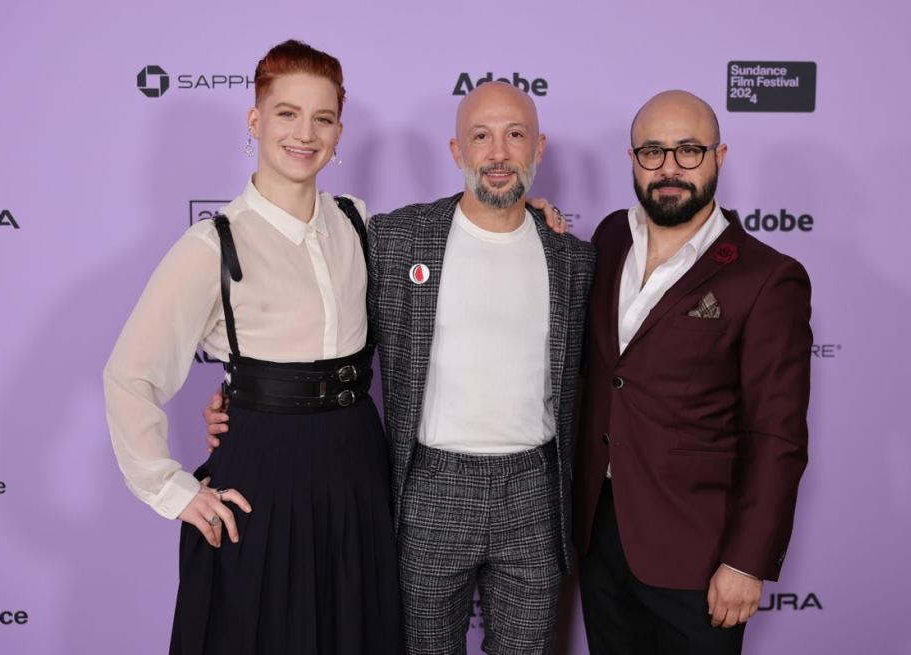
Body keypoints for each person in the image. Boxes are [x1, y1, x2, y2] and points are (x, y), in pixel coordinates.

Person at [205, 81, 594, 654]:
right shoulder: (393, 239)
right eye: (480, 136)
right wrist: (244, 400)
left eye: (516, 136)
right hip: (428, 489)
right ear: (457, 152)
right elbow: (313, 321)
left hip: (535, 494)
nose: (498, 153)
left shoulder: (574, 258)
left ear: (539, 149)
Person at [104, 40, 402, 654]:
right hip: (265, 473)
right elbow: (130, 375)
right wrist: (172, 489)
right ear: (256, 120)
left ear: (339, 130)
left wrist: (529, 211)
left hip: (358, 468)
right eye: (287, 113)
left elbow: (451, 243)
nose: (305, 133)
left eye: (322, 118)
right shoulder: (212, 244)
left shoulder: (358, 223)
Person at [572, 90, 812, 654]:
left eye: (689, 151)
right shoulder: (608, 238)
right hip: (599, 536)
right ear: (632, 159)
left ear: (719, 157)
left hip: (699, 554)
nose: (669, 169)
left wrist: (745, 562)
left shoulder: (767, 277)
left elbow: (777, 436)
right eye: (652, 152)